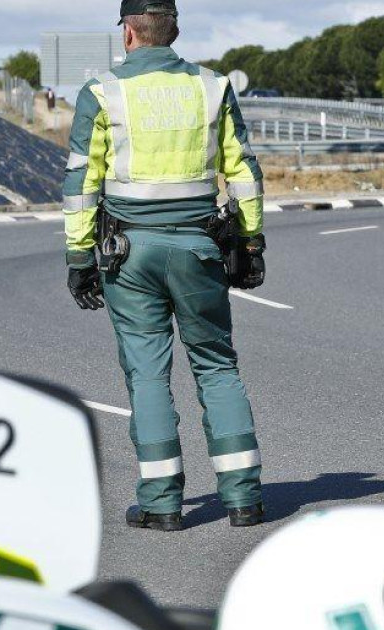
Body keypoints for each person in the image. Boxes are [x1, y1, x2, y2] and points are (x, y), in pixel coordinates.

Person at [61, 0, 267, 531]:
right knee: (217, 365)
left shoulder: (103, 93)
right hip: (200, 248)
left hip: (129, 256)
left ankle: (161, 505)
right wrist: (250, 243)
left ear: (129, 33)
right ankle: (243, 498)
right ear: (173, 30)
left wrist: (79, 256)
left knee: (148, 373)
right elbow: (241, 168)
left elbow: (82, 183)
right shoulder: (211, 87)